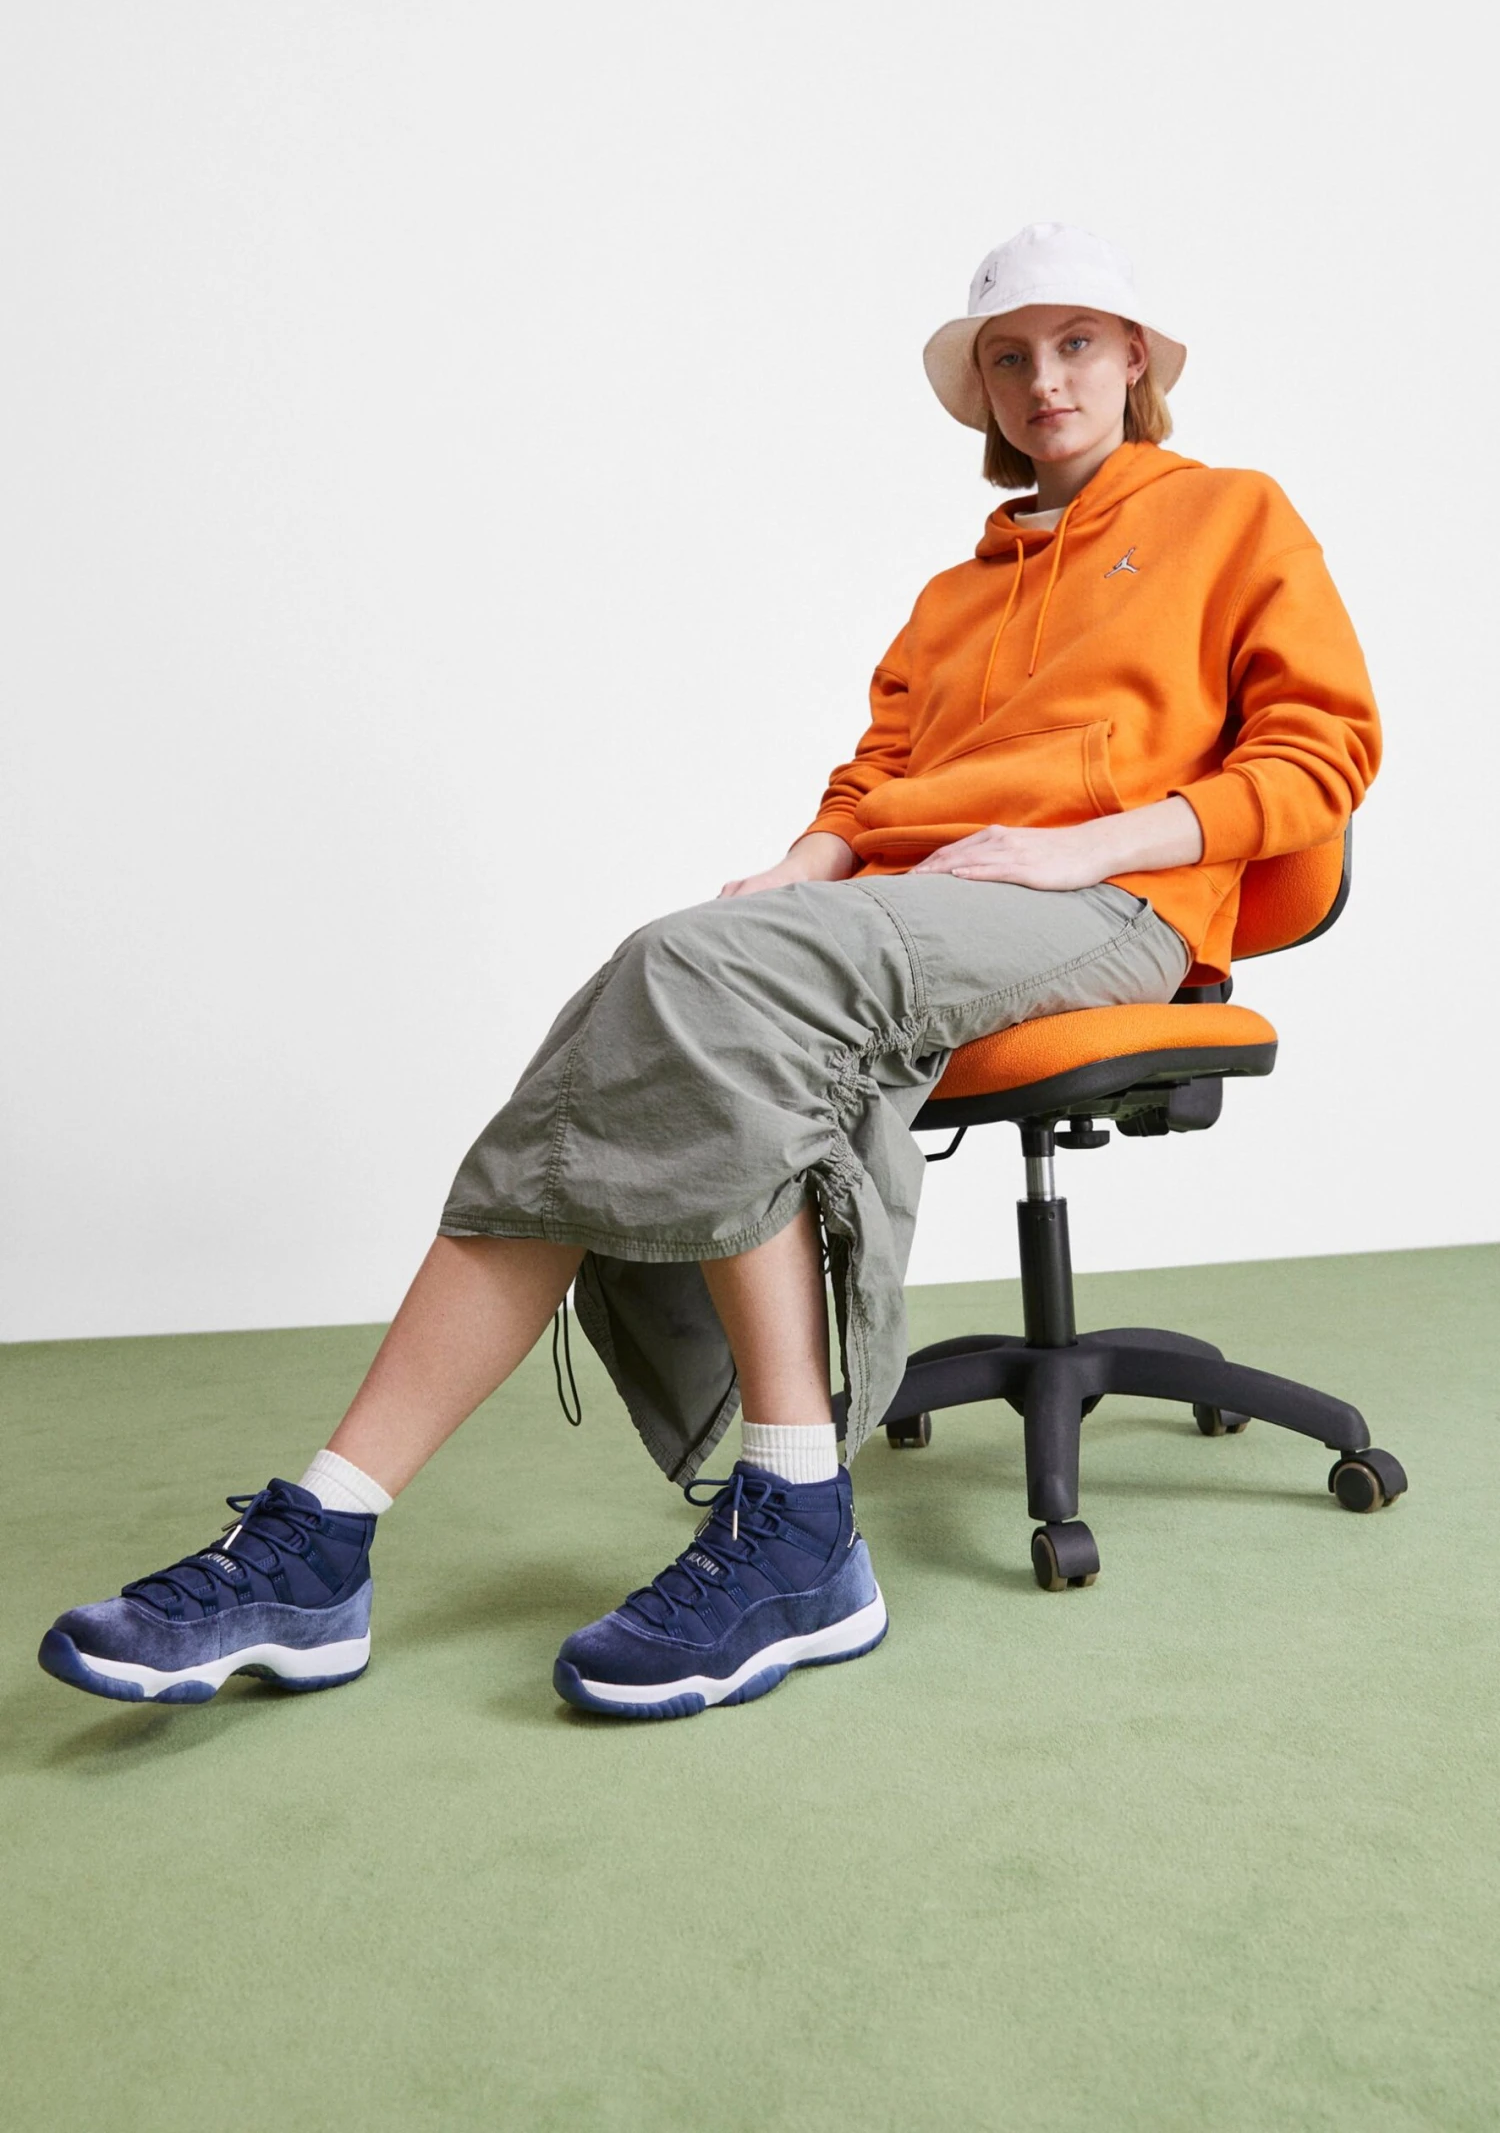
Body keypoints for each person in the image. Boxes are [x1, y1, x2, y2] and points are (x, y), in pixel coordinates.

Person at [38, 222, 1380, 1719]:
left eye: (1075, 345)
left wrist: (1081, 849)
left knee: (700, 982)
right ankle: (327, 1529)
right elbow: (877, 775)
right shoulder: (956, 596)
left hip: (1116, 904)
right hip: (912, 901)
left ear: (1134, 358)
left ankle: (791, 1519)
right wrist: (807, 863)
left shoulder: (1232, 514)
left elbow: (1324, 752)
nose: (1043, 379)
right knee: (665, 974)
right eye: (1010, 356)